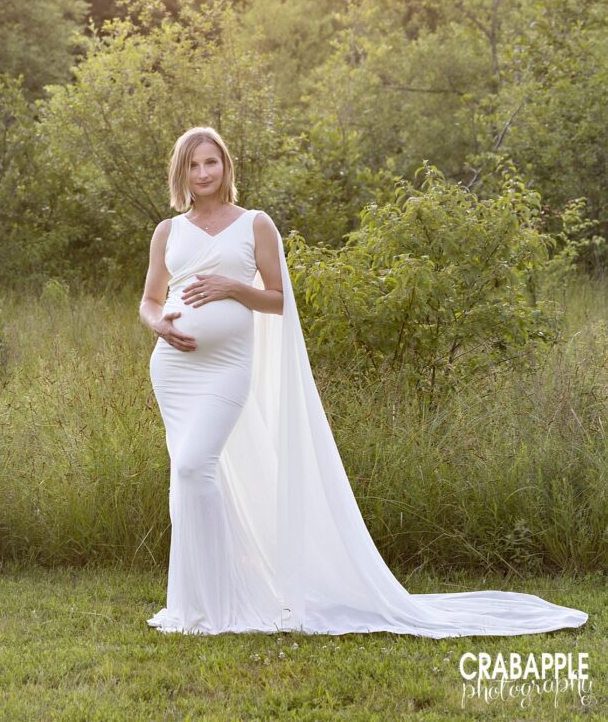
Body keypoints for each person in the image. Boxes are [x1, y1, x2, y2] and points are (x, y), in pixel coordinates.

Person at [139, 125, 589, 637]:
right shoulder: (167, 232)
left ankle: (215, 607)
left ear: (226, 167)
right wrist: (157, 323)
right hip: (174, 371)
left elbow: (280, 301)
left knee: (197, 467)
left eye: (211, 163)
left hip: (225, 369)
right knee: (188, 479)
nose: (203, 174)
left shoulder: (255, 225)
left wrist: (234, 288)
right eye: (193, 165)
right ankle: (196, 605)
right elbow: (152, 299)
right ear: (182, 172)